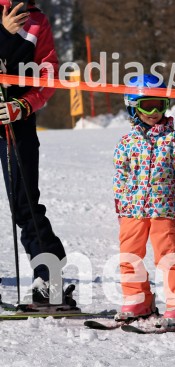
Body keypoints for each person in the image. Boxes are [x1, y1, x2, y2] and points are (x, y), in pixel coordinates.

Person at [113, 73, 175, 326]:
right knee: (129, 256)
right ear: (133, 107)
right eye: (147, 106)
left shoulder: (174, 140)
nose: (153, 112)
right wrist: (120, 205)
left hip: (164, 208)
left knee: (167, 257)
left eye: (159, 105)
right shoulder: (126, 142)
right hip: (132, 209)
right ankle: (137, 299)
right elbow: (121, 176)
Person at [0, 0, 67, 304]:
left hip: (16, 121)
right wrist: (3, 33)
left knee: (24, 201)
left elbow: (48, 74)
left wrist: (23, 105)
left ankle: (48, 276)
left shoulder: (37, 21)